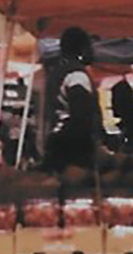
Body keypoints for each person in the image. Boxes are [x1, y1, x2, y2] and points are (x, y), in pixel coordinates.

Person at [41, 27, 104, 185]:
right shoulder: (77, 76)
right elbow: (81, 116)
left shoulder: (56, 73)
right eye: (89, 46)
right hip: (74, 146)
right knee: (77, 196)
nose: (92, 52)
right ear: (81, 49)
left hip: (58, 141)